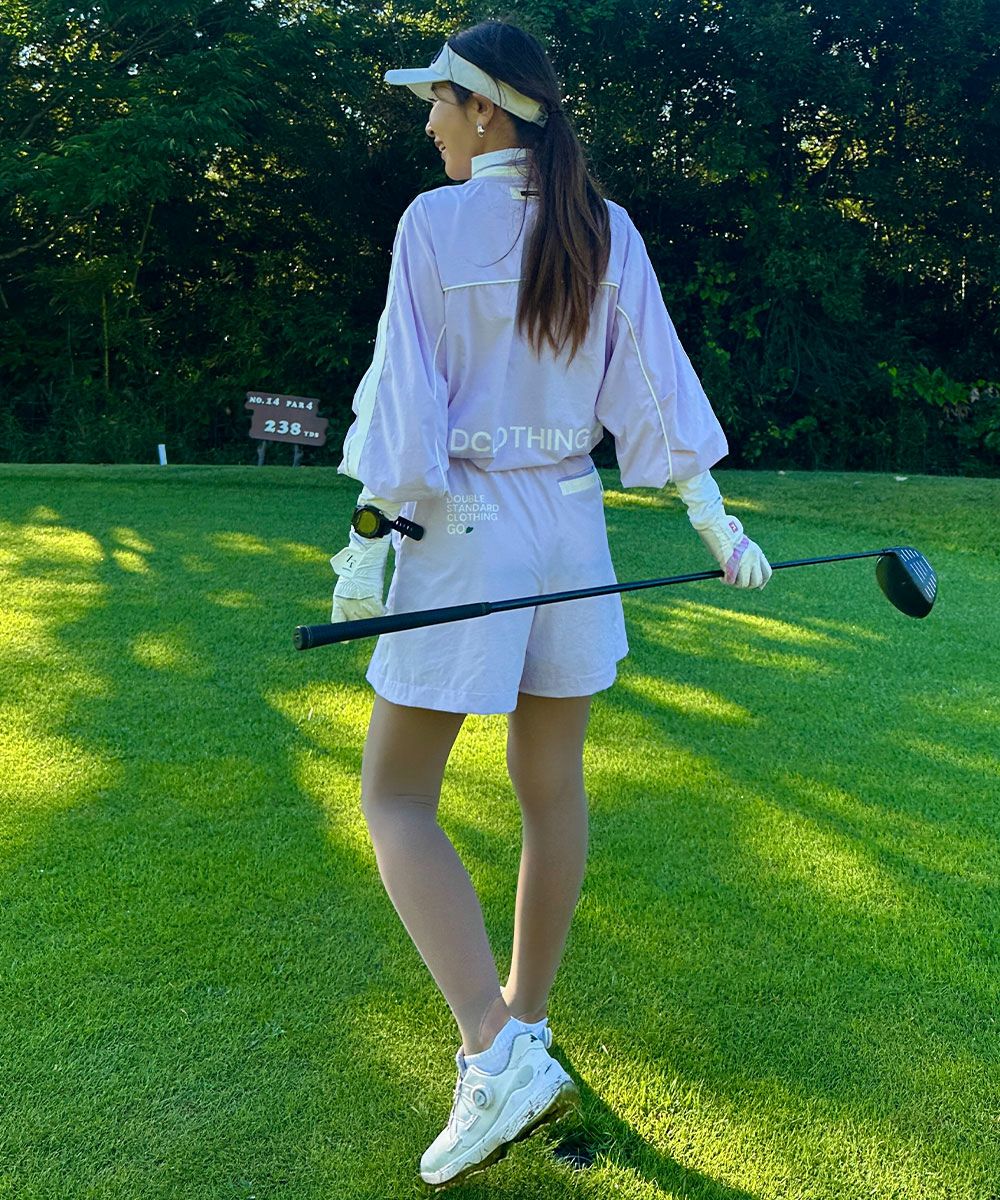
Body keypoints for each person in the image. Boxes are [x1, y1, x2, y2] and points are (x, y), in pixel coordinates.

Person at [328, 19, 773, 1190]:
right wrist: (717, 527)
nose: (428, 122)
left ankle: (494, 1046)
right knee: (550, 785)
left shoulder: (434, 223)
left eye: (437, 101)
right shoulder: (603, 225)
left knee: (394, 793)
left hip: (469, 528)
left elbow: (404, 406)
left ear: (484, 108)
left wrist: (364, 541)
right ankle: (521, 1025)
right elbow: (657, 393)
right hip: (571, 525)